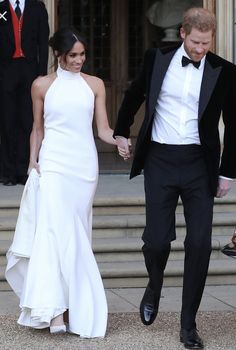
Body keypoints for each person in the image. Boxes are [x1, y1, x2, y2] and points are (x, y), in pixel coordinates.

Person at [114, 7, 236, 350]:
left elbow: (235, 124)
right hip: (160, 160)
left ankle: (188, 325)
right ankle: (154, 283)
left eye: (206, 43)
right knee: (156, 241)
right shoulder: (157, 58)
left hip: (200, 164)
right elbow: (135, 94)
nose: (200, 49)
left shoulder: (224, 71)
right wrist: (122, 132)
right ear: (183, 33)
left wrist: (227, 172)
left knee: (199, 243)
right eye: (196, 42)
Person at [5, 27, 116, 338]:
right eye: (73, 55)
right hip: (53, 164)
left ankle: (72, 308)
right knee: (53, 233)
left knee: (76, 234)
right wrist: (32, 162)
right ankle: (54, 310)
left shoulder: (94, 85)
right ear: (59, 55)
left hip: (84, 167)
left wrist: (118, 139)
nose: (79, 60)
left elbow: (103, 128)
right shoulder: (41, 85)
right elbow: (37, 129)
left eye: (82, 55)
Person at [0, 0, 49, 186]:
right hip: (5, 72)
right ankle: (7, 172)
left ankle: (24, 169)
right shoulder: (1, 8)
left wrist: (42, 76)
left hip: (30, 72)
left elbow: (43, 43)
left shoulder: (37, 8)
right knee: (6, 122)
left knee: (27, 121)